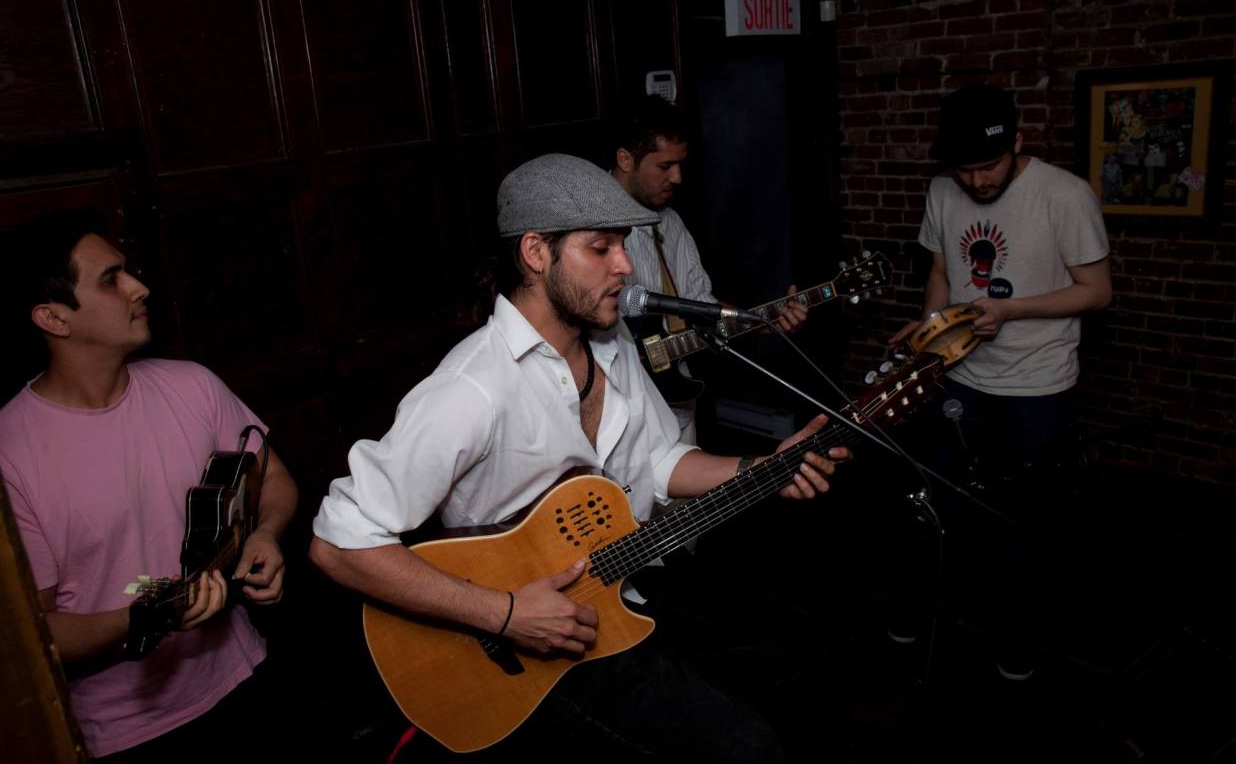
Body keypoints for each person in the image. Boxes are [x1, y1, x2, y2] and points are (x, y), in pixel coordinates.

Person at [310, 153, 850, 762]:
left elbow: (658, 461)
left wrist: (763, 468)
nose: (625, 265)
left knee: (801, 642)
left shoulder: (612, 344)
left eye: (623, 245)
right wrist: (506, 613)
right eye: (601, 248)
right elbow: (338, 545)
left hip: (630, 582)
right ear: (536, 253)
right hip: (531, 640)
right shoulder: (471, 388)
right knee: (749, 751)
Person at [0, 215, 299, 760]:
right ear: (54, 317)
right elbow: (33, 633)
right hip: (125, 732)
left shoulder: (191, 384)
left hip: (244, 673)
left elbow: (272, 478)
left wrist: (266, 534)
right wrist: (147, 615)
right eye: (112, 279)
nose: (138, 287)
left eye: (127, 271)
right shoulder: (4, 455)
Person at [888, 83, 1112, 679]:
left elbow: (1097, 291)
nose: (977, 181)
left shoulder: (1065, 194)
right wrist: (932, 330)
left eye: (988, 166)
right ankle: (937, 612)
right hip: (962, 376)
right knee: (940, 503)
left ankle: (1017, 636)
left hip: (1039, 385)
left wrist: (1009, 310)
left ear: (1017, 142)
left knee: (1024, 516)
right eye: (964, 170)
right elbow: (942, 270)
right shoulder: (943, 189)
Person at [609, 95, 808, 442]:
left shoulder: (670, 224)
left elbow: (700, 305)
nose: (678, 177)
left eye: (680, 164)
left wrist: (763, 322)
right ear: (625, 159)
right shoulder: (587, 224)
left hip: (675, 404)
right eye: (665, 166)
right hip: (617, 413)